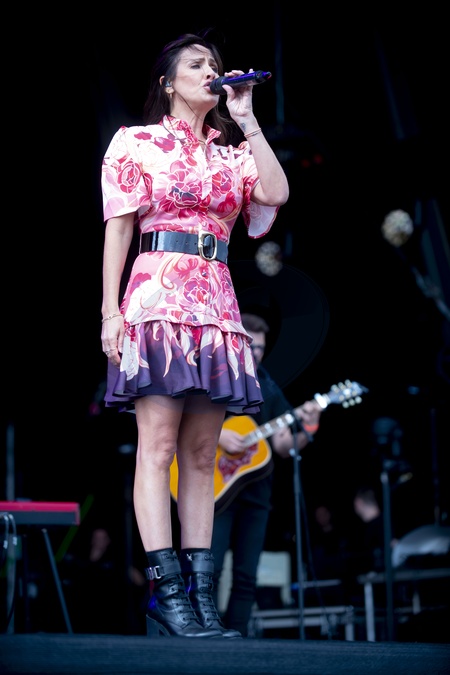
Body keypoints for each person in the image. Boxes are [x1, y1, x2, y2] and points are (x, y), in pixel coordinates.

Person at [100, 32, 289, 639]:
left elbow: (275, 194)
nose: (211, 71)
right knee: (157, 446)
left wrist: (247, 119)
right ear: (168, 82)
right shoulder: (136, 143)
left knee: (202, 454)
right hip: (157, 298)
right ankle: (167, 594)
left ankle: (202, 599)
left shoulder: (231, 155)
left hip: (215, 304)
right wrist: (110, 312)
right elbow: (118, 229)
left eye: (216, 64)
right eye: (198, 64)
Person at [210, 313, 323, 636]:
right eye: (250, 345)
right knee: (210, 570)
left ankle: (237, 641)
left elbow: (284, 445)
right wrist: (219, 435)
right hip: (216, 491)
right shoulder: (213, 376)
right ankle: (205, 638)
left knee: (247, 576)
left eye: (260, 347)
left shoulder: (268, 386)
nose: (256, 353)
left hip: (257, 492)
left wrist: (309, 425)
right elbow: (187, 421)